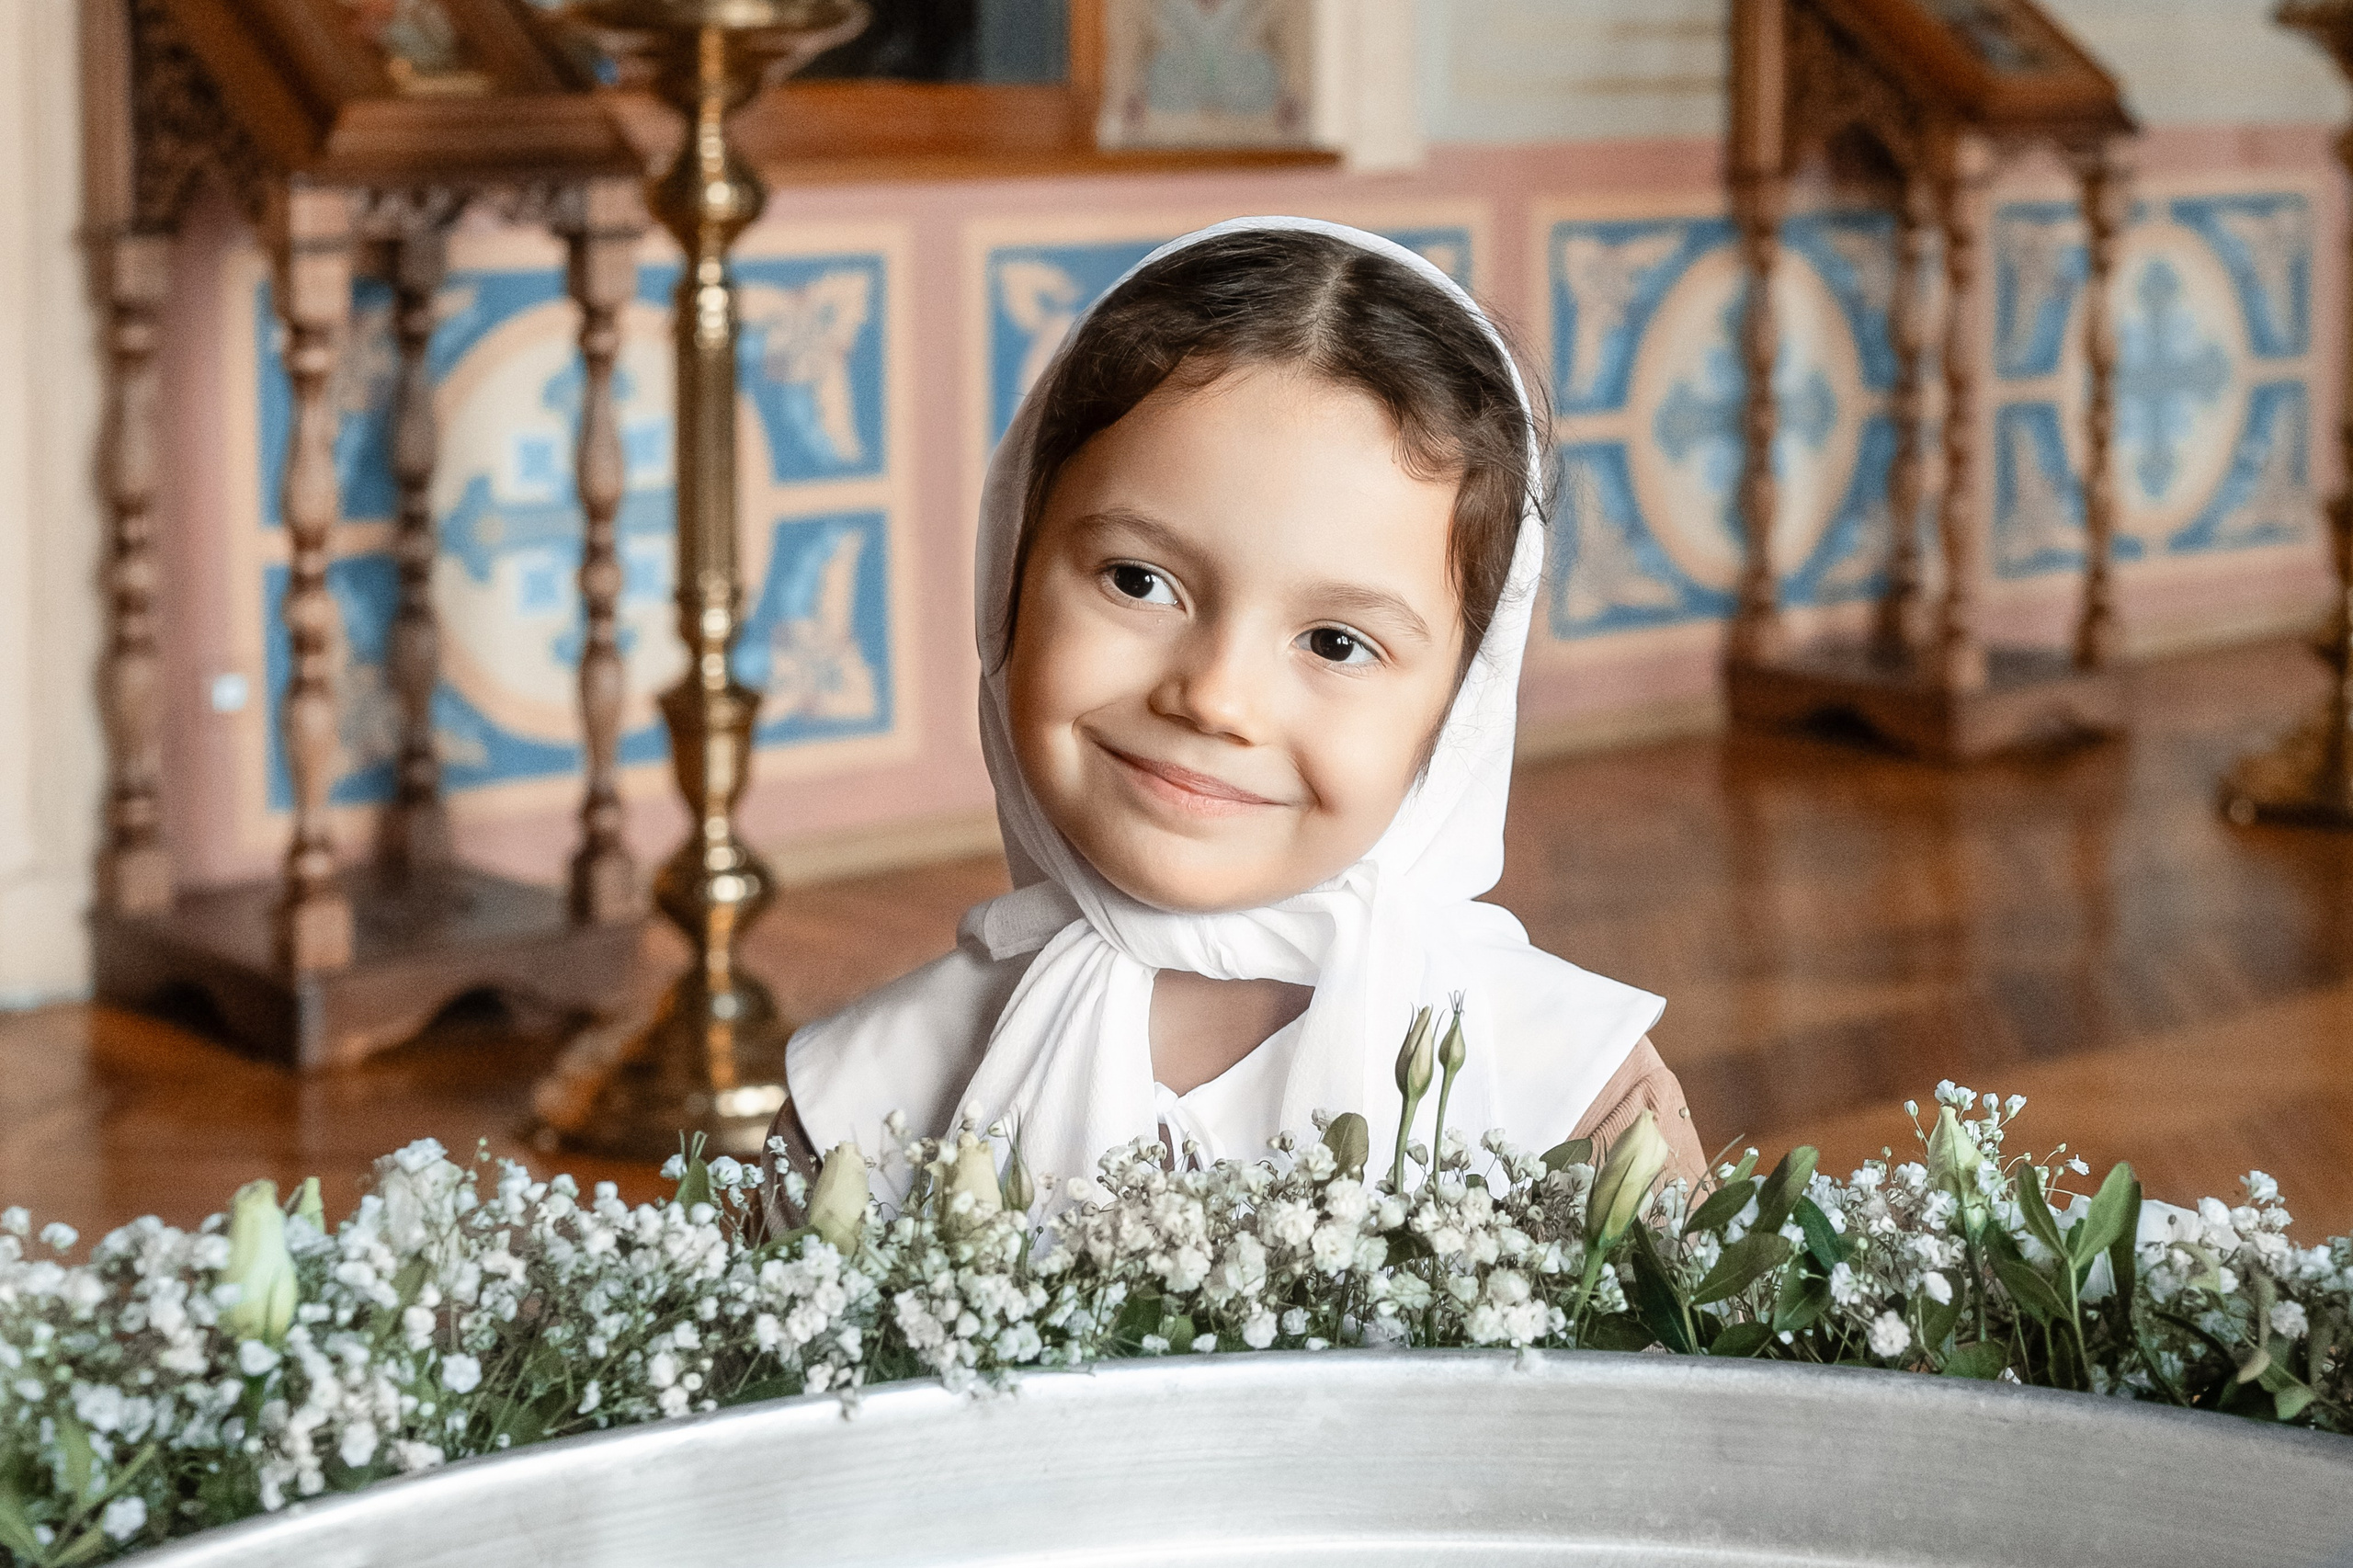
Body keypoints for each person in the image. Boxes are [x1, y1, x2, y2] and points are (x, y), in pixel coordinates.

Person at [769, 217, 1706, 1208]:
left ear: (1458, 712)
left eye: (1336, 642)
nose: (1214, 695)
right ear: (1010, 574)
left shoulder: (1574, 1097)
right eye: (1138, 580)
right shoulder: (857, 1103)